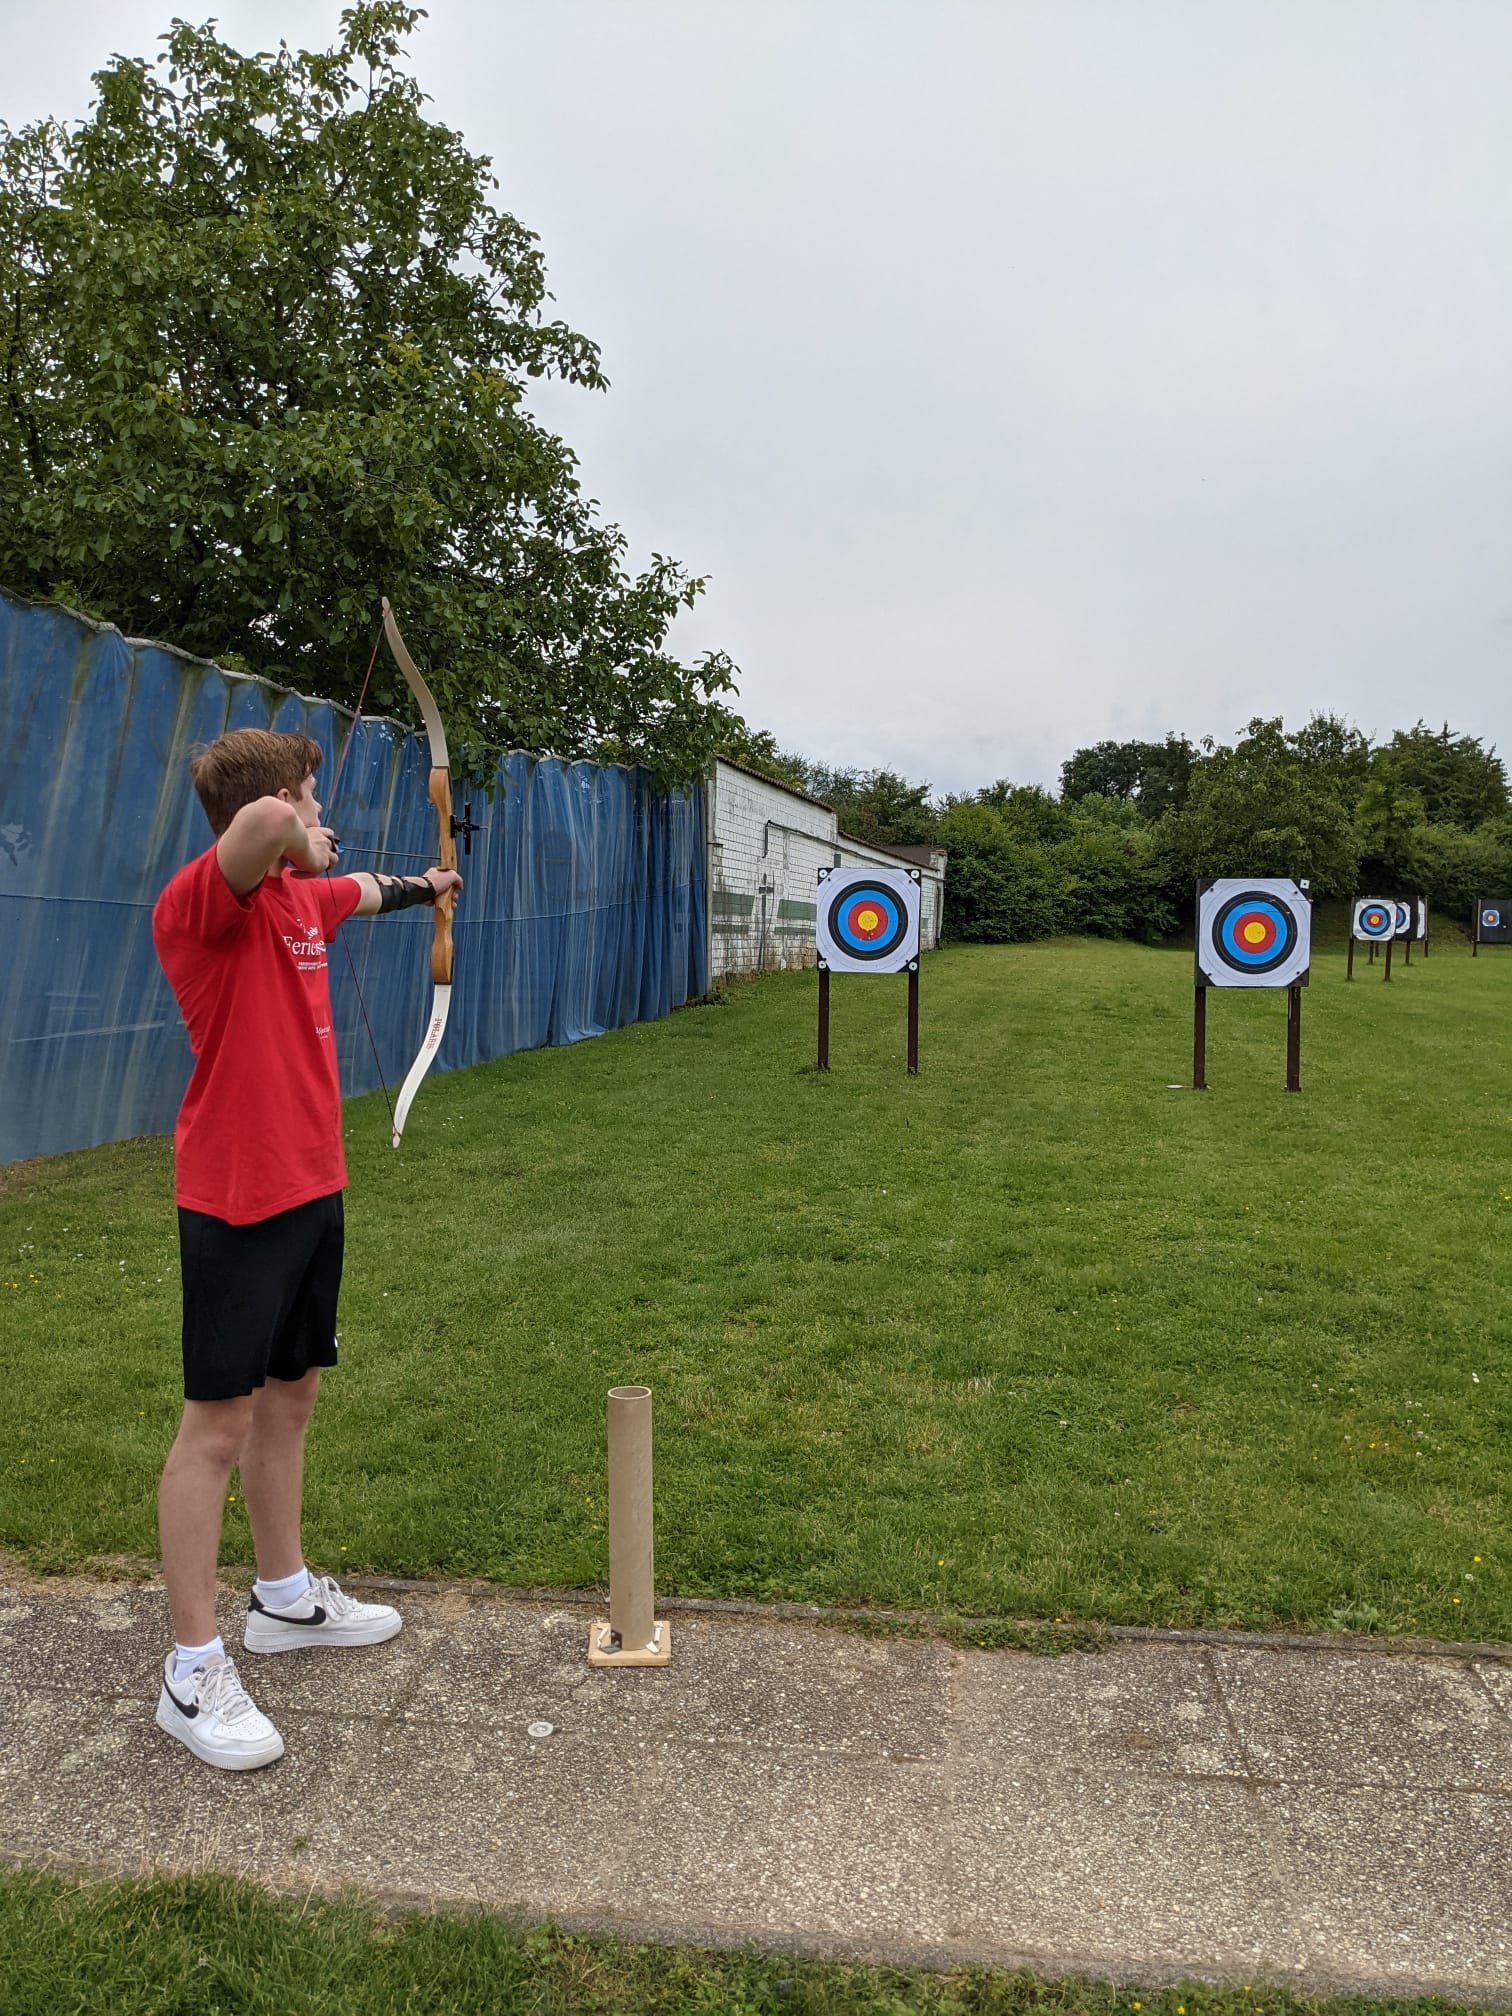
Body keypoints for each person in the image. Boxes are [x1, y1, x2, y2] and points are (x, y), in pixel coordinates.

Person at [149, 726, 463, 1770]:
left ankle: (283, 1600)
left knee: (291, 1395)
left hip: (311, 1185)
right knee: (216, 1427)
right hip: (237, 1199)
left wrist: (429, 882)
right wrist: (298, 821)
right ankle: (192, 1671)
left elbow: (366, 889)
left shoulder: (302, 899)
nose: (324, 825)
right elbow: (269, 825)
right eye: (315, 808)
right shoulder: (208, 902)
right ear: (284, 806)